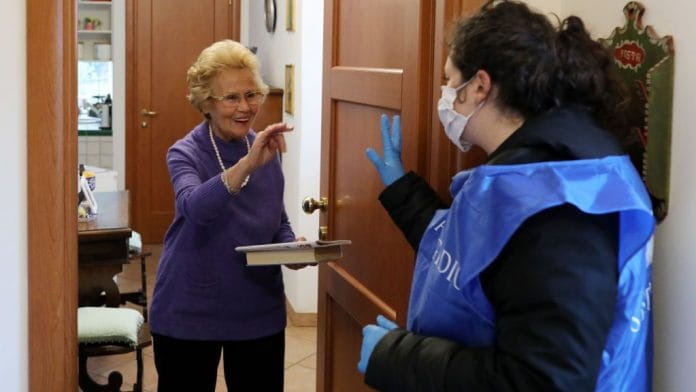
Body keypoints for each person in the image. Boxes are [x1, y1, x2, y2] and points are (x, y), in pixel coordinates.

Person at [359, 2, 655, 391]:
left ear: (480, 86)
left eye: (449, 81)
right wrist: (400, 188)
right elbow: (469, 251)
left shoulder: (563, 201)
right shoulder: (532, 170)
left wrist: (394, 356)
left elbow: (543, 381)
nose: (445, 95)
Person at [149, 39, 305, 392]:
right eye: (231, 98)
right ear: (206, 103)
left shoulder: (265, 150)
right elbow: (196, 209)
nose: (245, 107)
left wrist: (291, 248)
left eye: (252, 95)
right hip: (190, 311)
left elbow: (276, 220)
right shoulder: (184, 152)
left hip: (257, 311)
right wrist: (248, 163)